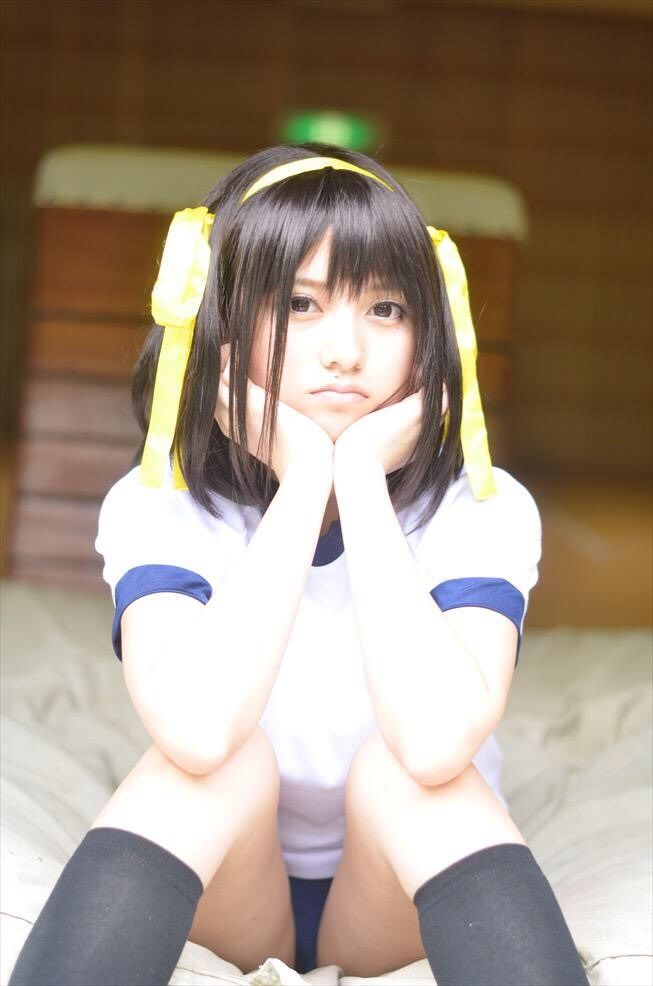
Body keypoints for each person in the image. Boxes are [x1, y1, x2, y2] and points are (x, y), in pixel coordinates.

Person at [8, 143, 589, 986]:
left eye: (386, 308)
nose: (345, 350)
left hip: (395, 898)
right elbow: (197, 731)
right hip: (232, 891)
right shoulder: (159, 502)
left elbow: (433, 744)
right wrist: (304, 477)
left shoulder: (483, 507)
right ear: (222, 323)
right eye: (300, 304)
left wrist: (358, 482)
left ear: (430, 336)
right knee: (212, 767)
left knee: (409, 777)